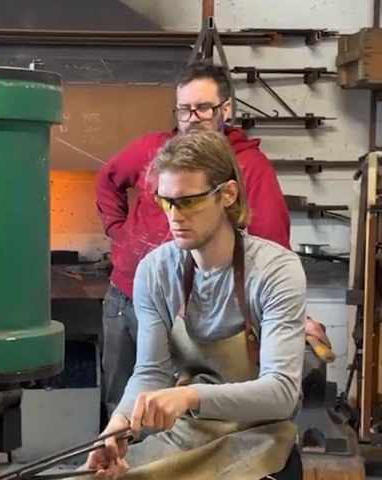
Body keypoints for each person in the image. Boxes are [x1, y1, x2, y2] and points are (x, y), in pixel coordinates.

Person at [96, 61, 324, 415]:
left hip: (203, 306)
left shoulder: (250, 167)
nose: (192, 118)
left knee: (183, 406)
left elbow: (271, 251)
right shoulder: (154, 152)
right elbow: (107, 180)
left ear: (225, 109)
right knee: (126, 404)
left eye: (202, 107)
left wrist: (284, 310)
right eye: (184, 109)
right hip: (128, 292)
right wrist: (120, 233)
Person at [87, 130, 305, 479]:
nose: (174, 216)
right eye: (166, 202)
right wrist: (119, 424)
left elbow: (282, 392)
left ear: (228, 194)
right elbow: (151, 371)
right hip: (189, 435)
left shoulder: (275, 271)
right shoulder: (155, 271)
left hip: (258, 437)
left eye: (189, 202)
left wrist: (189, 397)